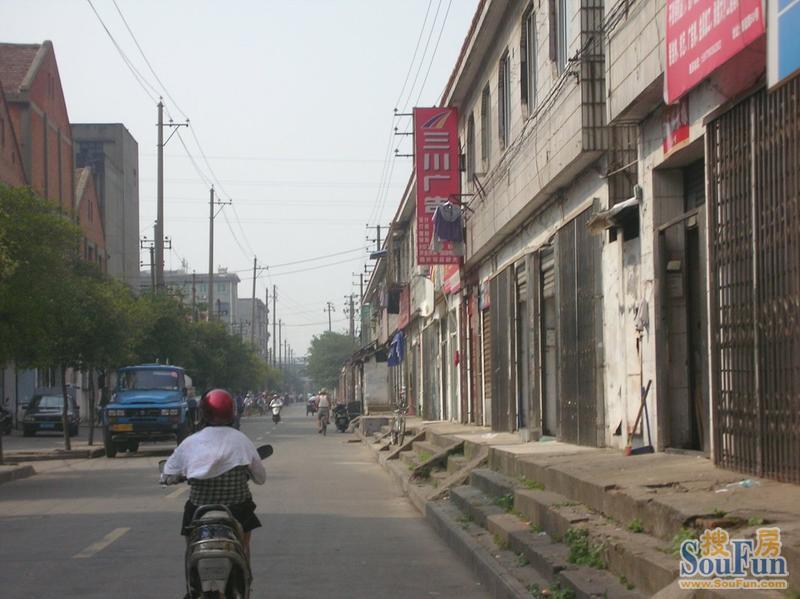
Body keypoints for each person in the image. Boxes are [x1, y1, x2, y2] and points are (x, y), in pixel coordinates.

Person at [162, 388, 266, 559]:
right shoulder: (241, 440)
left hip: (199, 508)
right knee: (246, 532)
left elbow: (169, 470)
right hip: (237, 508)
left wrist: (169, 477)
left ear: (204, 412)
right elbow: (261, 478)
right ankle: (244, 555)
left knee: (189, 532)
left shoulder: (191, 441)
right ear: (231, 412)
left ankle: (192, 555)